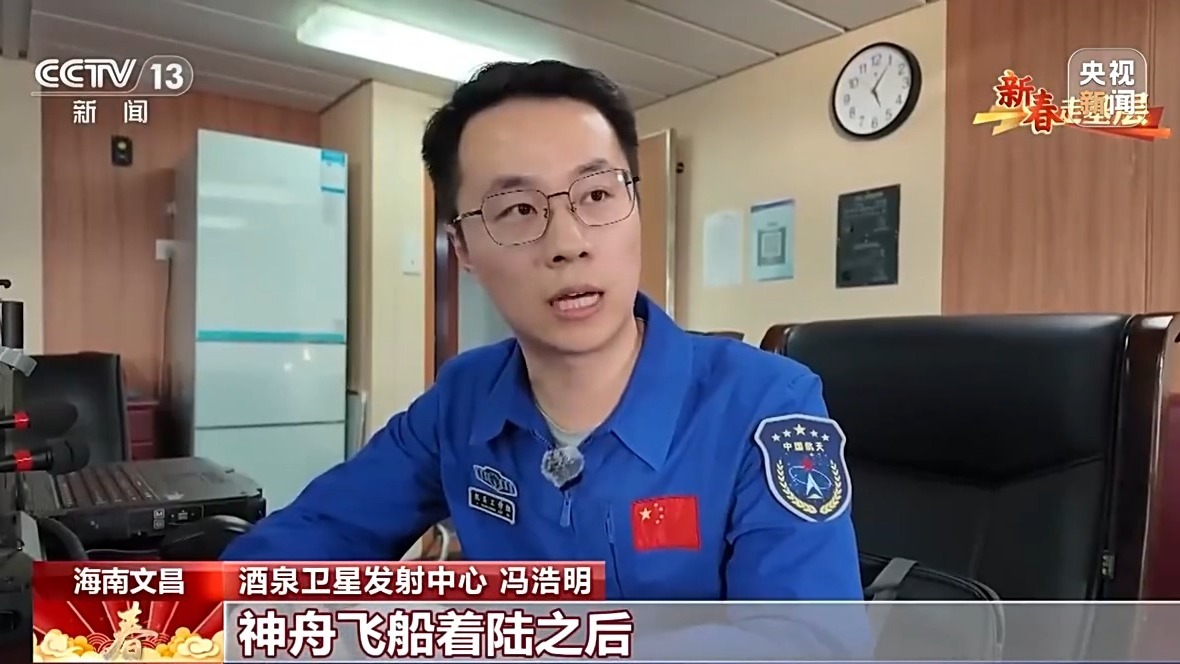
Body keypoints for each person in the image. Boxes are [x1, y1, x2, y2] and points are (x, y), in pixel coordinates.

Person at [222, 60, 870, 657]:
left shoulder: (767, 402)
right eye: (517, 209)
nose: (568, 242)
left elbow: (810, 642)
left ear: (635, 206)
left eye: (597, 195)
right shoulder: (462, 398)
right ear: (464, 250)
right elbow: (322, 531)